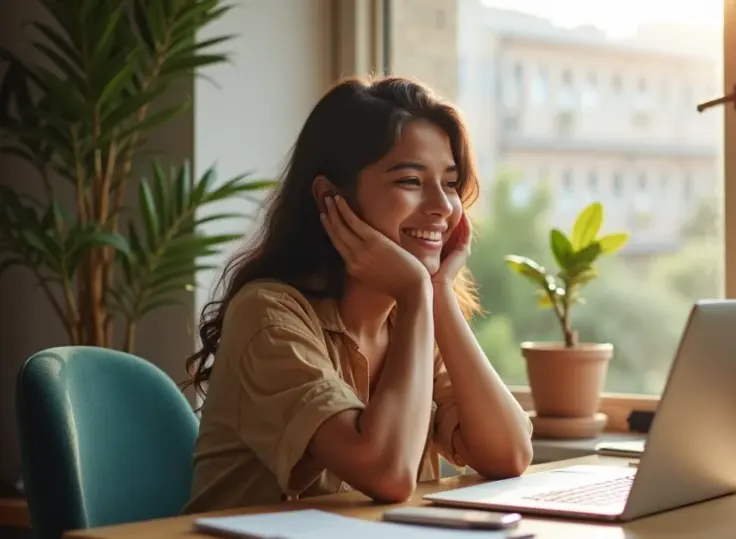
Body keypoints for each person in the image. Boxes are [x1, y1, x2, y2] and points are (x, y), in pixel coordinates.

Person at [181, 76, 534, 513]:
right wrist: (413, 291)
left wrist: (437, 292)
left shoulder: (411, 317)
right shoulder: (268, 314)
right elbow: (388, 474)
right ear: (331, 197)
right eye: (410, 181)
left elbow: (509, 455)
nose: (443, 207)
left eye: (449, 182)